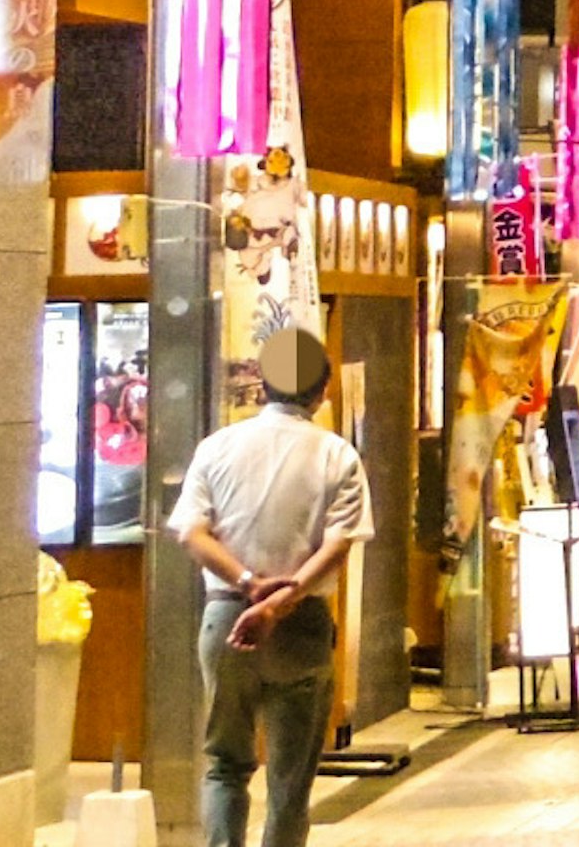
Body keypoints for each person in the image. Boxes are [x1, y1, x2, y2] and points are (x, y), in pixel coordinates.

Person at [166, 328, 371, 847]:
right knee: (289, 779)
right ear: (323, 392)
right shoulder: (336, 454)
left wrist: (247, 583)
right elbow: (338, 543)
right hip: (299, 624)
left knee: (224, 765)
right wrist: (282, 600)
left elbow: (191, 532)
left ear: (263, 384)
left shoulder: (217, 448)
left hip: (225, 617)